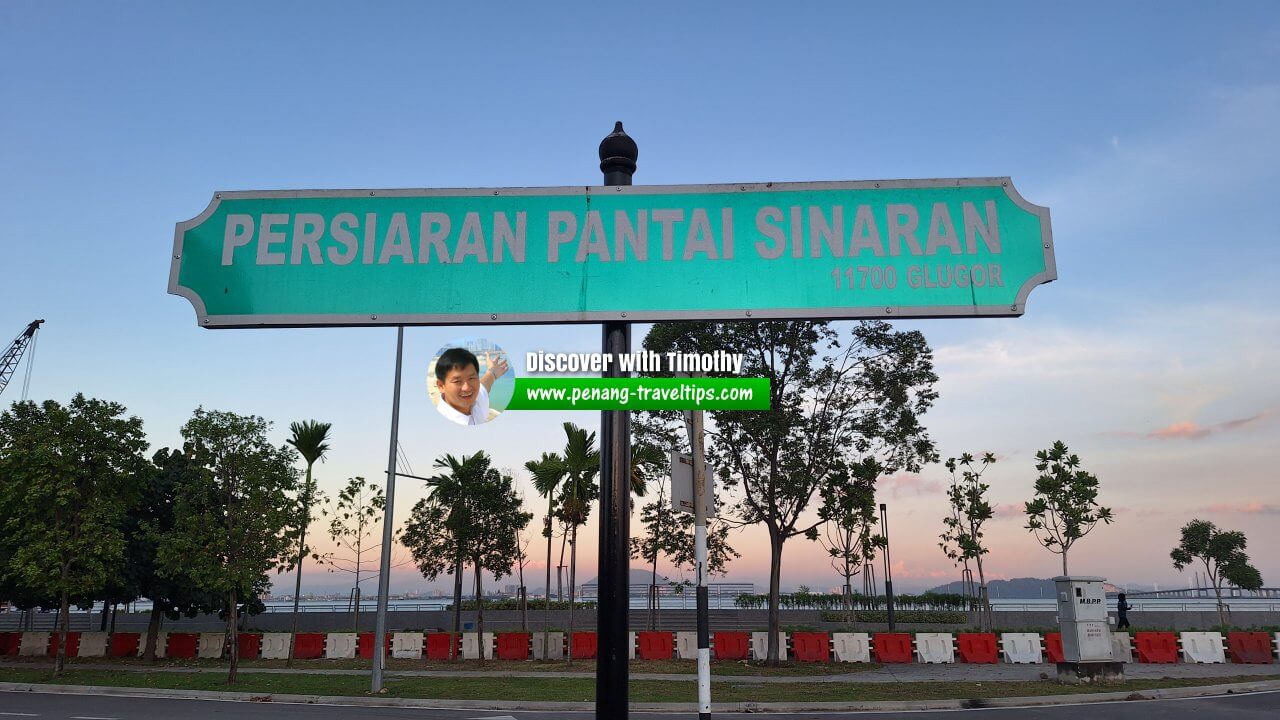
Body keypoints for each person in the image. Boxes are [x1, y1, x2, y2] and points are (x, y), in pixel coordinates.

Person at [433, 347, 509, 426]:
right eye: (457, 381)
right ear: (441, 386)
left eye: (471, 378)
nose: (467, 388)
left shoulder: (476, 401)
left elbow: (484, 386)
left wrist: (492, 372)